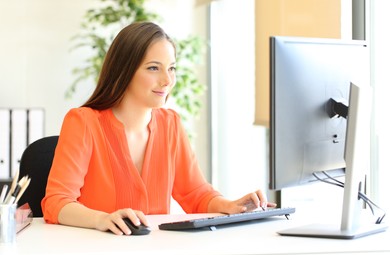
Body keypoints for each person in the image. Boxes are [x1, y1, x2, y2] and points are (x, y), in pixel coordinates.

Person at [41, 21, 276, 235]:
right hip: (94, 254)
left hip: (154, 254)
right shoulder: (83, 122)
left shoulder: (170, 123)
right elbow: (57, 201)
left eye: (171, 68)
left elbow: (195, 194)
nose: (167, 80)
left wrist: (230, 205)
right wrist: (102, 219)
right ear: (124, 71)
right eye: (154, 68)